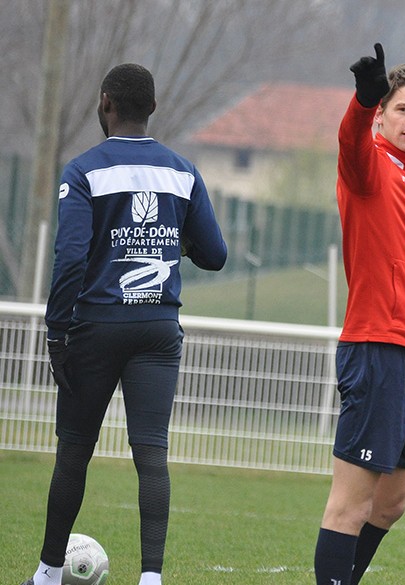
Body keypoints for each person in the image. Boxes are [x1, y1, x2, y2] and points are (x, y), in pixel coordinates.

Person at [25, 62, 228, 585]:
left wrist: (56, 330)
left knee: (73, 453)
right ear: (153, 108)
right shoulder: (182, 172)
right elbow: (216, 254)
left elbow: (70, 258)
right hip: (158, 330)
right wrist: (170, 245)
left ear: (105, 103)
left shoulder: (84, 170)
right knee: (151, 455)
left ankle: (48, 576)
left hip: (95, 326)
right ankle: (151, 579)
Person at [313, 43, 405, 585]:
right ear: (384, 114)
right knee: (351, 504)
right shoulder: (369, 167)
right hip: (375, 346)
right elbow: (349, 141)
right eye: (404, 109)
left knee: (390, 505)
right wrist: (362, 102)